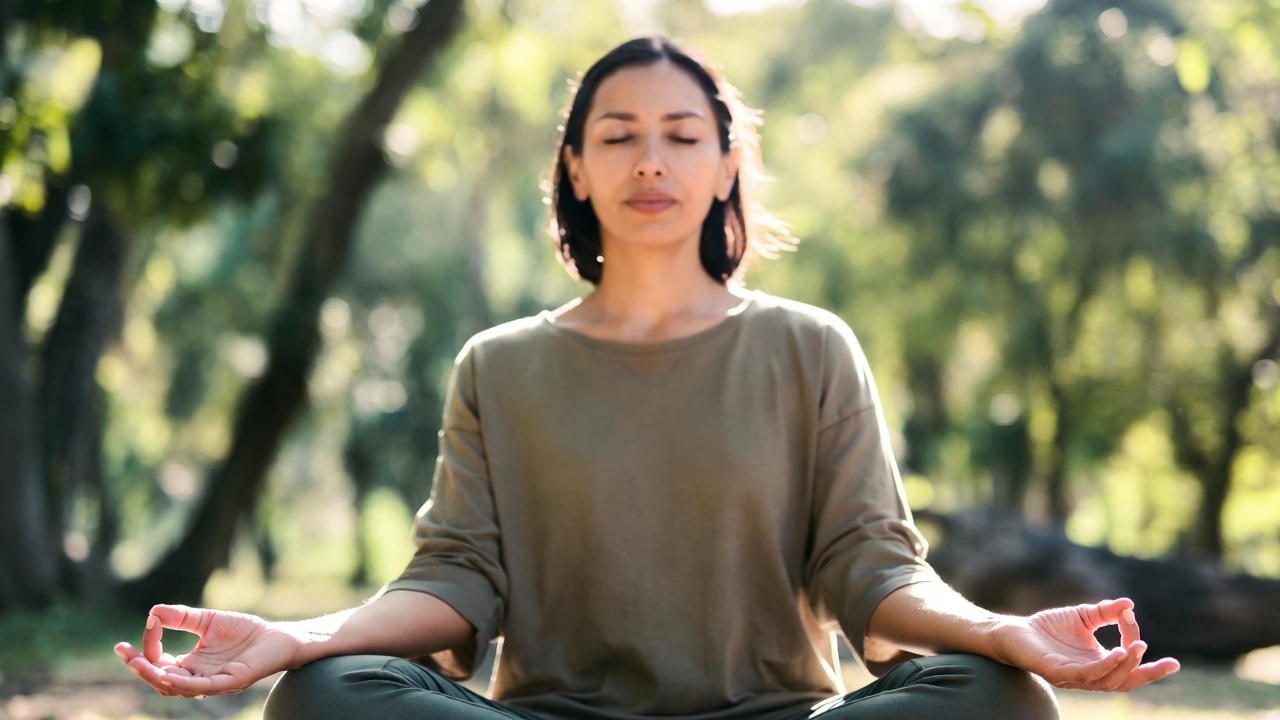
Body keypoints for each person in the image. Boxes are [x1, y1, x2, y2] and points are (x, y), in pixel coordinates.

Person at [115, 36, 1181, 720]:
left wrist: (1002, 635)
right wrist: (298, 639)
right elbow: (455, 584)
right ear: (574, 167)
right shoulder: (500, 364)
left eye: (681, 136)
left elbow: (871, 571)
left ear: (725, 164)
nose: (649, 163)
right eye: (615, 136)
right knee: (324, 700)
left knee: (996, 701)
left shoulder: (808, 347)